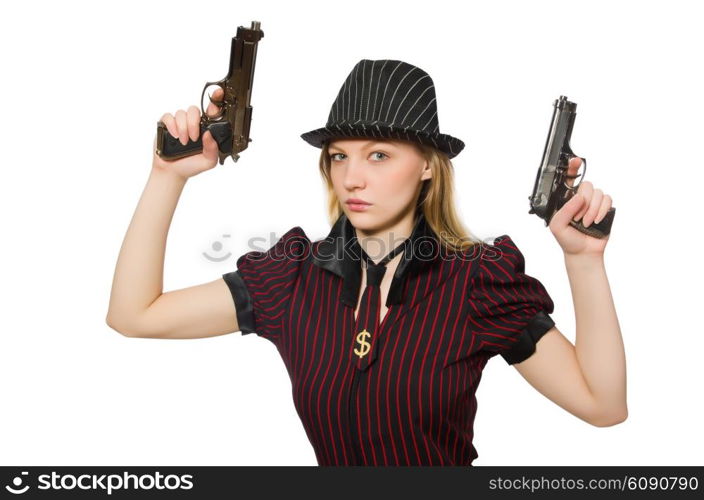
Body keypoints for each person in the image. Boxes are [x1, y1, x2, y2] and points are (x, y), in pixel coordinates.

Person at [106, 59, 627, 466]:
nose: (352, 176)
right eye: (339, 156)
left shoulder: (475, 283)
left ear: (427, 165)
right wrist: (166, 176)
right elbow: (135, 315)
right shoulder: (292, 279)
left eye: (379, 155)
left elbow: (602, 406)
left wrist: (584, 260)